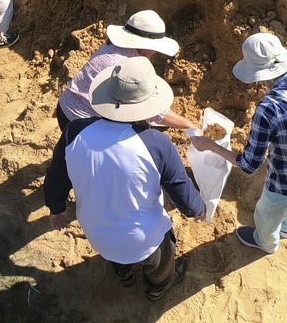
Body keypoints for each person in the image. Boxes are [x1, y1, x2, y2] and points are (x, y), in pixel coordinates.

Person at [44, 57, 205, 302]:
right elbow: (182, 192)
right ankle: (157, 288)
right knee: (161, 257)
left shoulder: (73, 132)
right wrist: (198, 209)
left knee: (115, 254)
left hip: (95, 230)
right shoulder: (157, 143)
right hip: (144, 238)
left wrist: (57, 210)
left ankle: (124, 275)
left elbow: (56, 179)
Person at [189, 33, 287, 254]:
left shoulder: (270, 107)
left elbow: (249, 164)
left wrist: (211, 145)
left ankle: (266, 243)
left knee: (265, 214)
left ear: (260, 75)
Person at [56, 10, 198, 132]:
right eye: (154, 46)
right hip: (80, 121)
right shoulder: (127, 65)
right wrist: (189, 125)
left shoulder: (112, 48)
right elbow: (153, 112)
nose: (155, 51)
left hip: (65, 107)